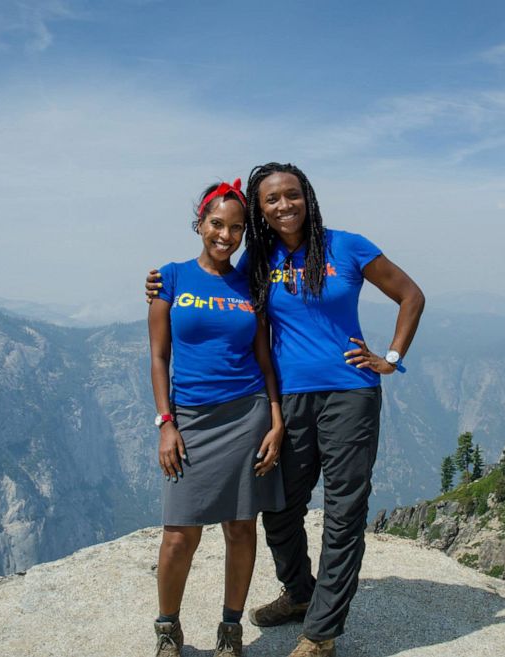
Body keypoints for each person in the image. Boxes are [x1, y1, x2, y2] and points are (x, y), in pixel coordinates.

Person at [148, 162, 424, 657]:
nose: (283, 206)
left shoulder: (349, 246)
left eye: (291, 195)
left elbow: (410, 294)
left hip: (349, 395)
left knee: (343, 513)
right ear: (259, 209)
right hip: (288, 398)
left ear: (307, 197)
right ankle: (299, 594)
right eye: (271, 199)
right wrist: (160, 286)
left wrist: (391, 358)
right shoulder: (259, 258)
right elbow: (212, 288)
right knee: (278, 508)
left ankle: (321, 633)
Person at [148, 178, 286, 657]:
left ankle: (231, 630)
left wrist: (275, 418)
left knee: (240, 527)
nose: (225, 236)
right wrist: (166, 423)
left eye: (235, 228)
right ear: (199, 224)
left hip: (246, 415)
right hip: (188, 420)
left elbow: (265, 358)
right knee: (178, 534)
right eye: (216, 225)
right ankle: (168, 629)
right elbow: (159, 357)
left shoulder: (252, 284)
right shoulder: (171, 277)